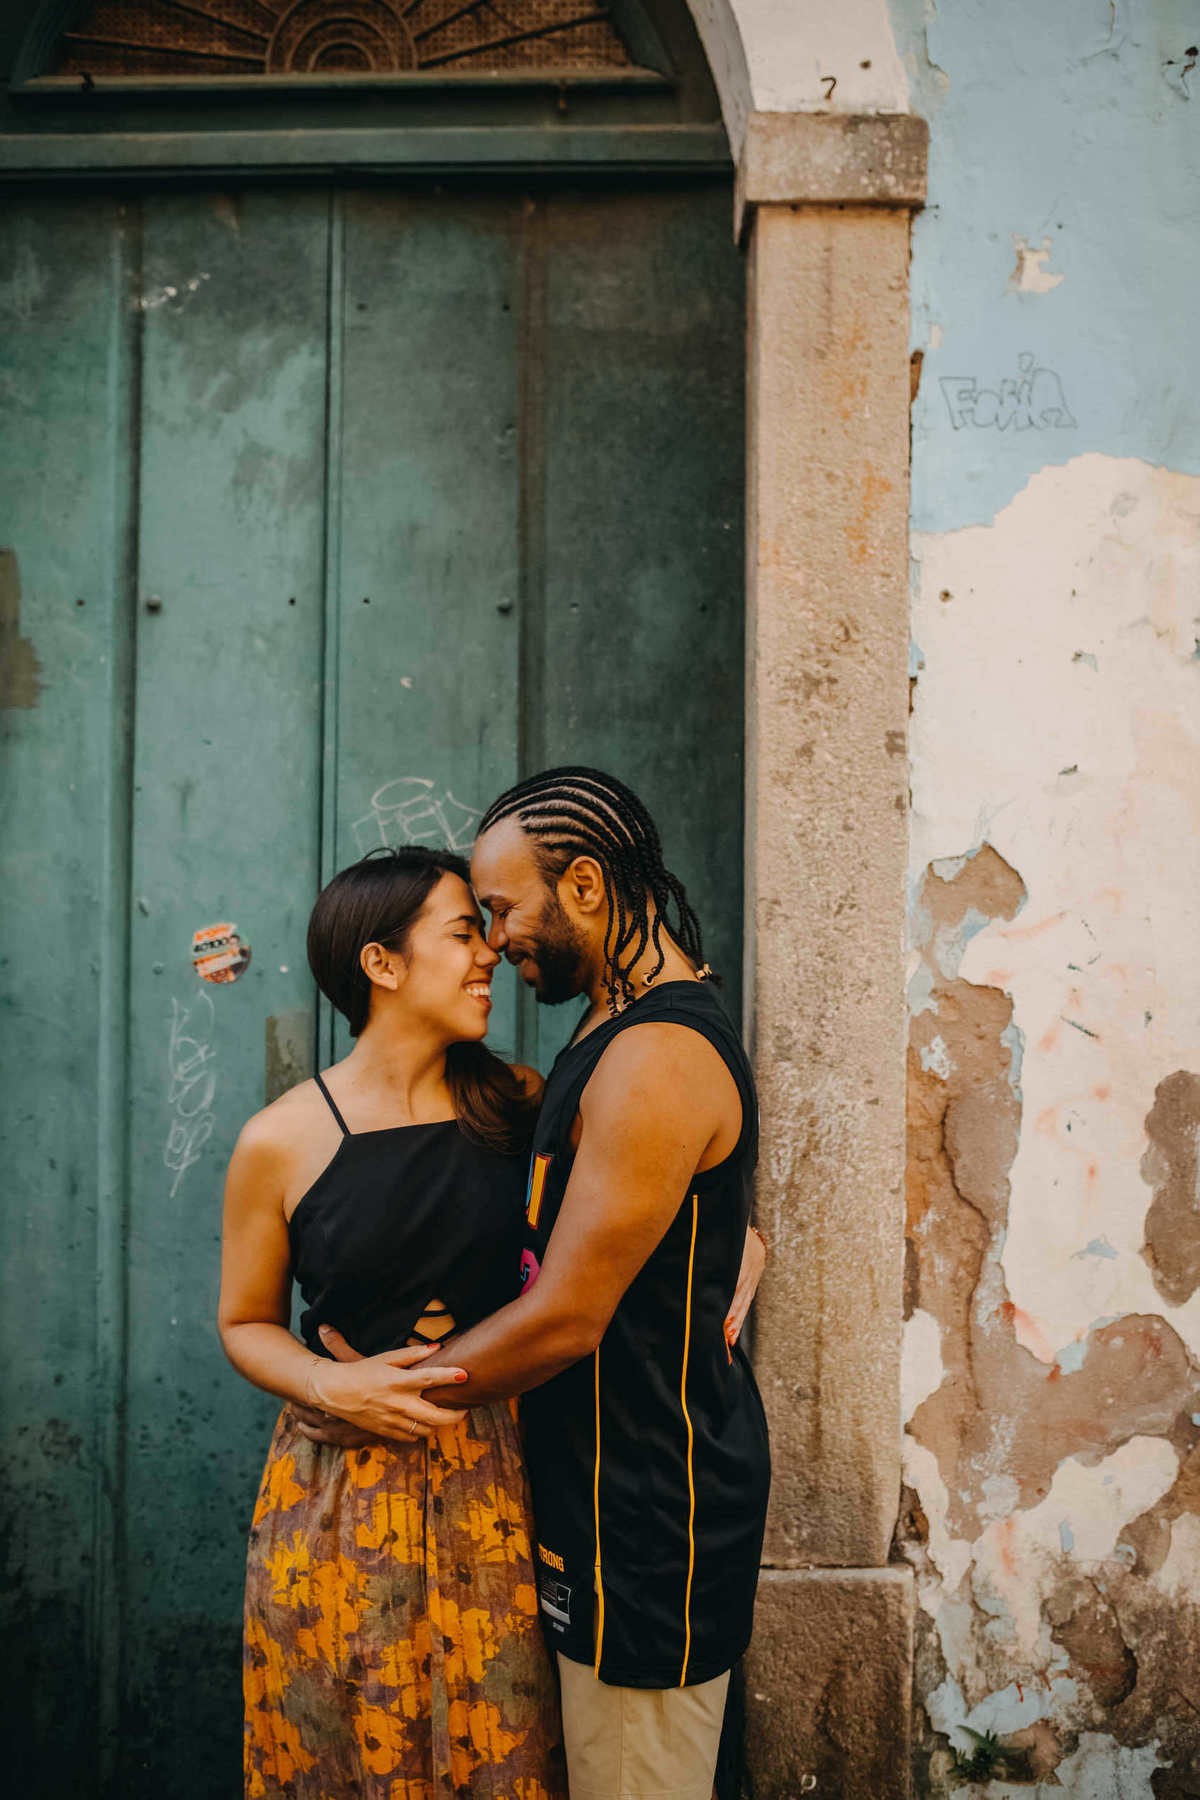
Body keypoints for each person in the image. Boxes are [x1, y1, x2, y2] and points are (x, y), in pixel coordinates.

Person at [309, 768, 771, 1800]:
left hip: (649, 1520)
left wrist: (376, 1397)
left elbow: (566, 1316)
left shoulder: (654, 1052)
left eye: (507, 909)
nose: (496, 938)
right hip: (593, 1502)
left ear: (589, 890)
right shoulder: (610, 1025)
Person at [218, 846, 568, 1799]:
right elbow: (247, 1323)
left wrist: (738, 1229)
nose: (491, 951)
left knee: (501, 1764)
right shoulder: (280, 1140)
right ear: (381, 964)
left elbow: (651, 1195)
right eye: (462, 933)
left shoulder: (527, 1105)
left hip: (502, 1489)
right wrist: (334, 1382)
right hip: (334, 1502)